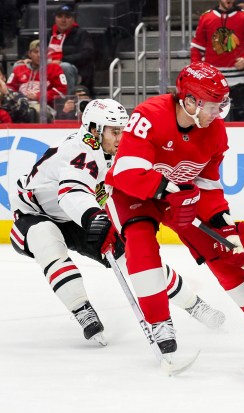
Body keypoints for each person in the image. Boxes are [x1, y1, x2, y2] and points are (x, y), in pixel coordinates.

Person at [104, 62, 244, 356]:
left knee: (224, 251)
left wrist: (224, 223)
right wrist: (170, 189)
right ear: (190, 101)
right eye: (212, 105)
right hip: (133, 194)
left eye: (221, 105)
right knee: (141, 244)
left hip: (178, 196)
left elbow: (208, 183)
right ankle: (159, 323)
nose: (217, 113)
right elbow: (126, 171)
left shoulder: (215, 132)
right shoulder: (149, 115)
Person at [9, 98, 225, 347]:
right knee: (46, 239)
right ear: (94, 131)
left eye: (124, 130)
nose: (121, 138)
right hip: (34, 214)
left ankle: (194, 304)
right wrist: (94, 216)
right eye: (114, 131)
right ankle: (82, 310)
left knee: (134, 258)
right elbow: (71, 191)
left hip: (78, 217)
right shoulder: (78, 149)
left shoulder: (119, 151)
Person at [191, 0, 244, 121]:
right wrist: (199, 73)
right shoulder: (206, 17)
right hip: (212, 83)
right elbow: (197, 49)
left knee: (243, 119)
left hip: (240, 80)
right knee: (211, 121)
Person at [6, 40, 68, 121]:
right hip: (20, 104)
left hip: (44, 107)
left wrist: (39, 96)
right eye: (36, 52)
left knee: (34, 111)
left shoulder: (55, 68)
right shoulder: (19, 69)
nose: (39, 55)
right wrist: (19, 98)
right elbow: (9, 88)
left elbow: (61, 90)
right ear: (29, 54)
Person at [47, 3, 95, 94]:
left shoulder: (81, 34)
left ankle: (68, 101)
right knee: (20, 66)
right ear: (55, 19)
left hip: (74, 71)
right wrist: (26, 59)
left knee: (64, 66)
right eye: (60, 16)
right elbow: (36, 49)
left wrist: (63, 60)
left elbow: (88, 53)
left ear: (73, 19)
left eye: (67, 17)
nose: (63, 20)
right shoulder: (48, 34)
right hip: (49, 67)